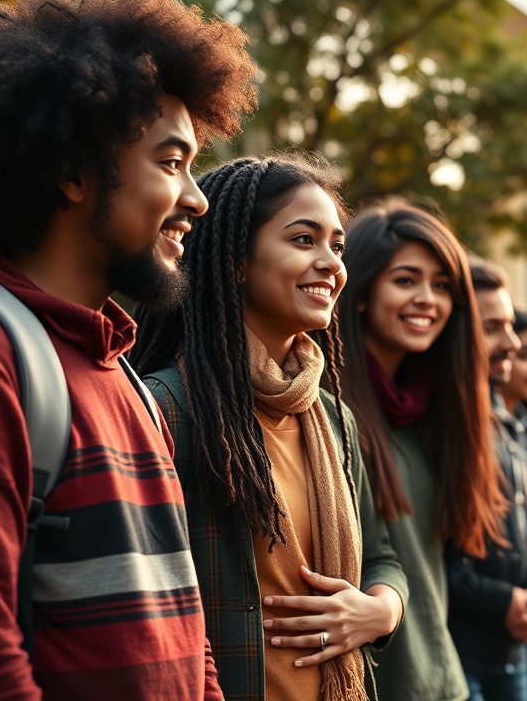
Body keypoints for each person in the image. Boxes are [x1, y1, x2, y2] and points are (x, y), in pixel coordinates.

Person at [0, 0, 258, 699]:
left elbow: (188, 641)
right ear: (72, 171)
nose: (197, 196)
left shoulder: (123, 373)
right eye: (171, 162)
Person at [131, 155, 407, 701]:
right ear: (236, 260)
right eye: (304, 239)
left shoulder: (332, 418)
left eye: (337, 245)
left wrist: (379, 612)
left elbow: (383, 556)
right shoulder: (165, 408)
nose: (330, 262)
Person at [331, 200, 507, 701]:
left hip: (444, 678)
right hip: (374, 683)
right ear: (361, 292)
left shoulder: (434, 414)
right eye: (406, 280)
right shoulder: (328, 406)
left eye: (441, 285)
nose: (428, 299)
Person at [451, 260, 527, 701]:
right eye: (493, 327)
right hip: (462, 653)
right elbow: (438, 561)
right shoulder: (448, 427)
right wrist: (505, 600)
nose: (513, 344)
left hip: (511, 650)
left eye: (510, 326)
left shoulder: (514, 427)